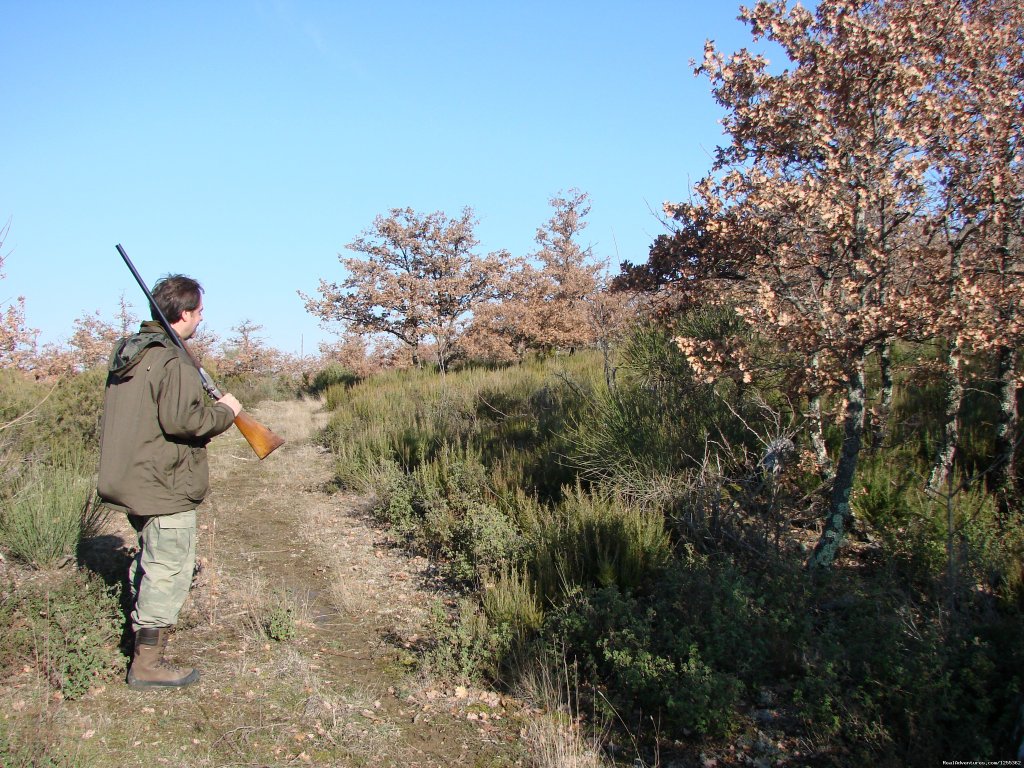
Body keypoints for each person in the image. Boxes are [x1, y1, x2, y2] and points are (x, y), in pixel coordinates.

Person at [97, 274, 241, 690]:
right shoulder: (172, 360)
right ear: (183, 314)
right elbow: (185, 421)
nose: (201, 319)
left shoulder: (132, 353)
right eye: (198, 312)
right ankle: (147, 665)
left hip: (137, 479)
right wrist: (227, 412)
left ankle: (142, 642)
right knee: (168, 569)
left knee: (150, 561)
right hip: (165, 485)